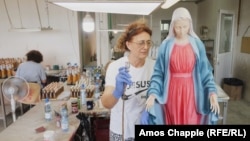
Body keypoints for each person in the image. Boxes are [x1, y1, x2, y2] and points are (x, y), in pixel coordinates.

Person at [141, 7, 220, 125]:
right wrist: (153, 93)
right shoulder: (166, 46)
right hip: (172, 92)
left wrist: (212, 93)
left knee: (191, 120)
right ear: (173, 26)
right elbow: (158, 73)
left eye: (185, 26)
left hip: (192, 93)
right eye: (178, 27)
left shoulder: (197, 44)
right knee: (173, 121)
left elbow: (205, 72)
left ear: (190, 25)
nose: (182, 30)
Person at [101, 19, 155, 141]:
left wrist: (153, 110)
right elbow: (106, 103)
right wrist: (117, 92)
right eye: (141, 43)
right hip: (121, 130)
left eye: (148, 42)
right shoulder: (115, 67)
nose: (146, 47)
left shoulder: (154, 67)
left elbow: (162, 96)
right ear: (128, 44)